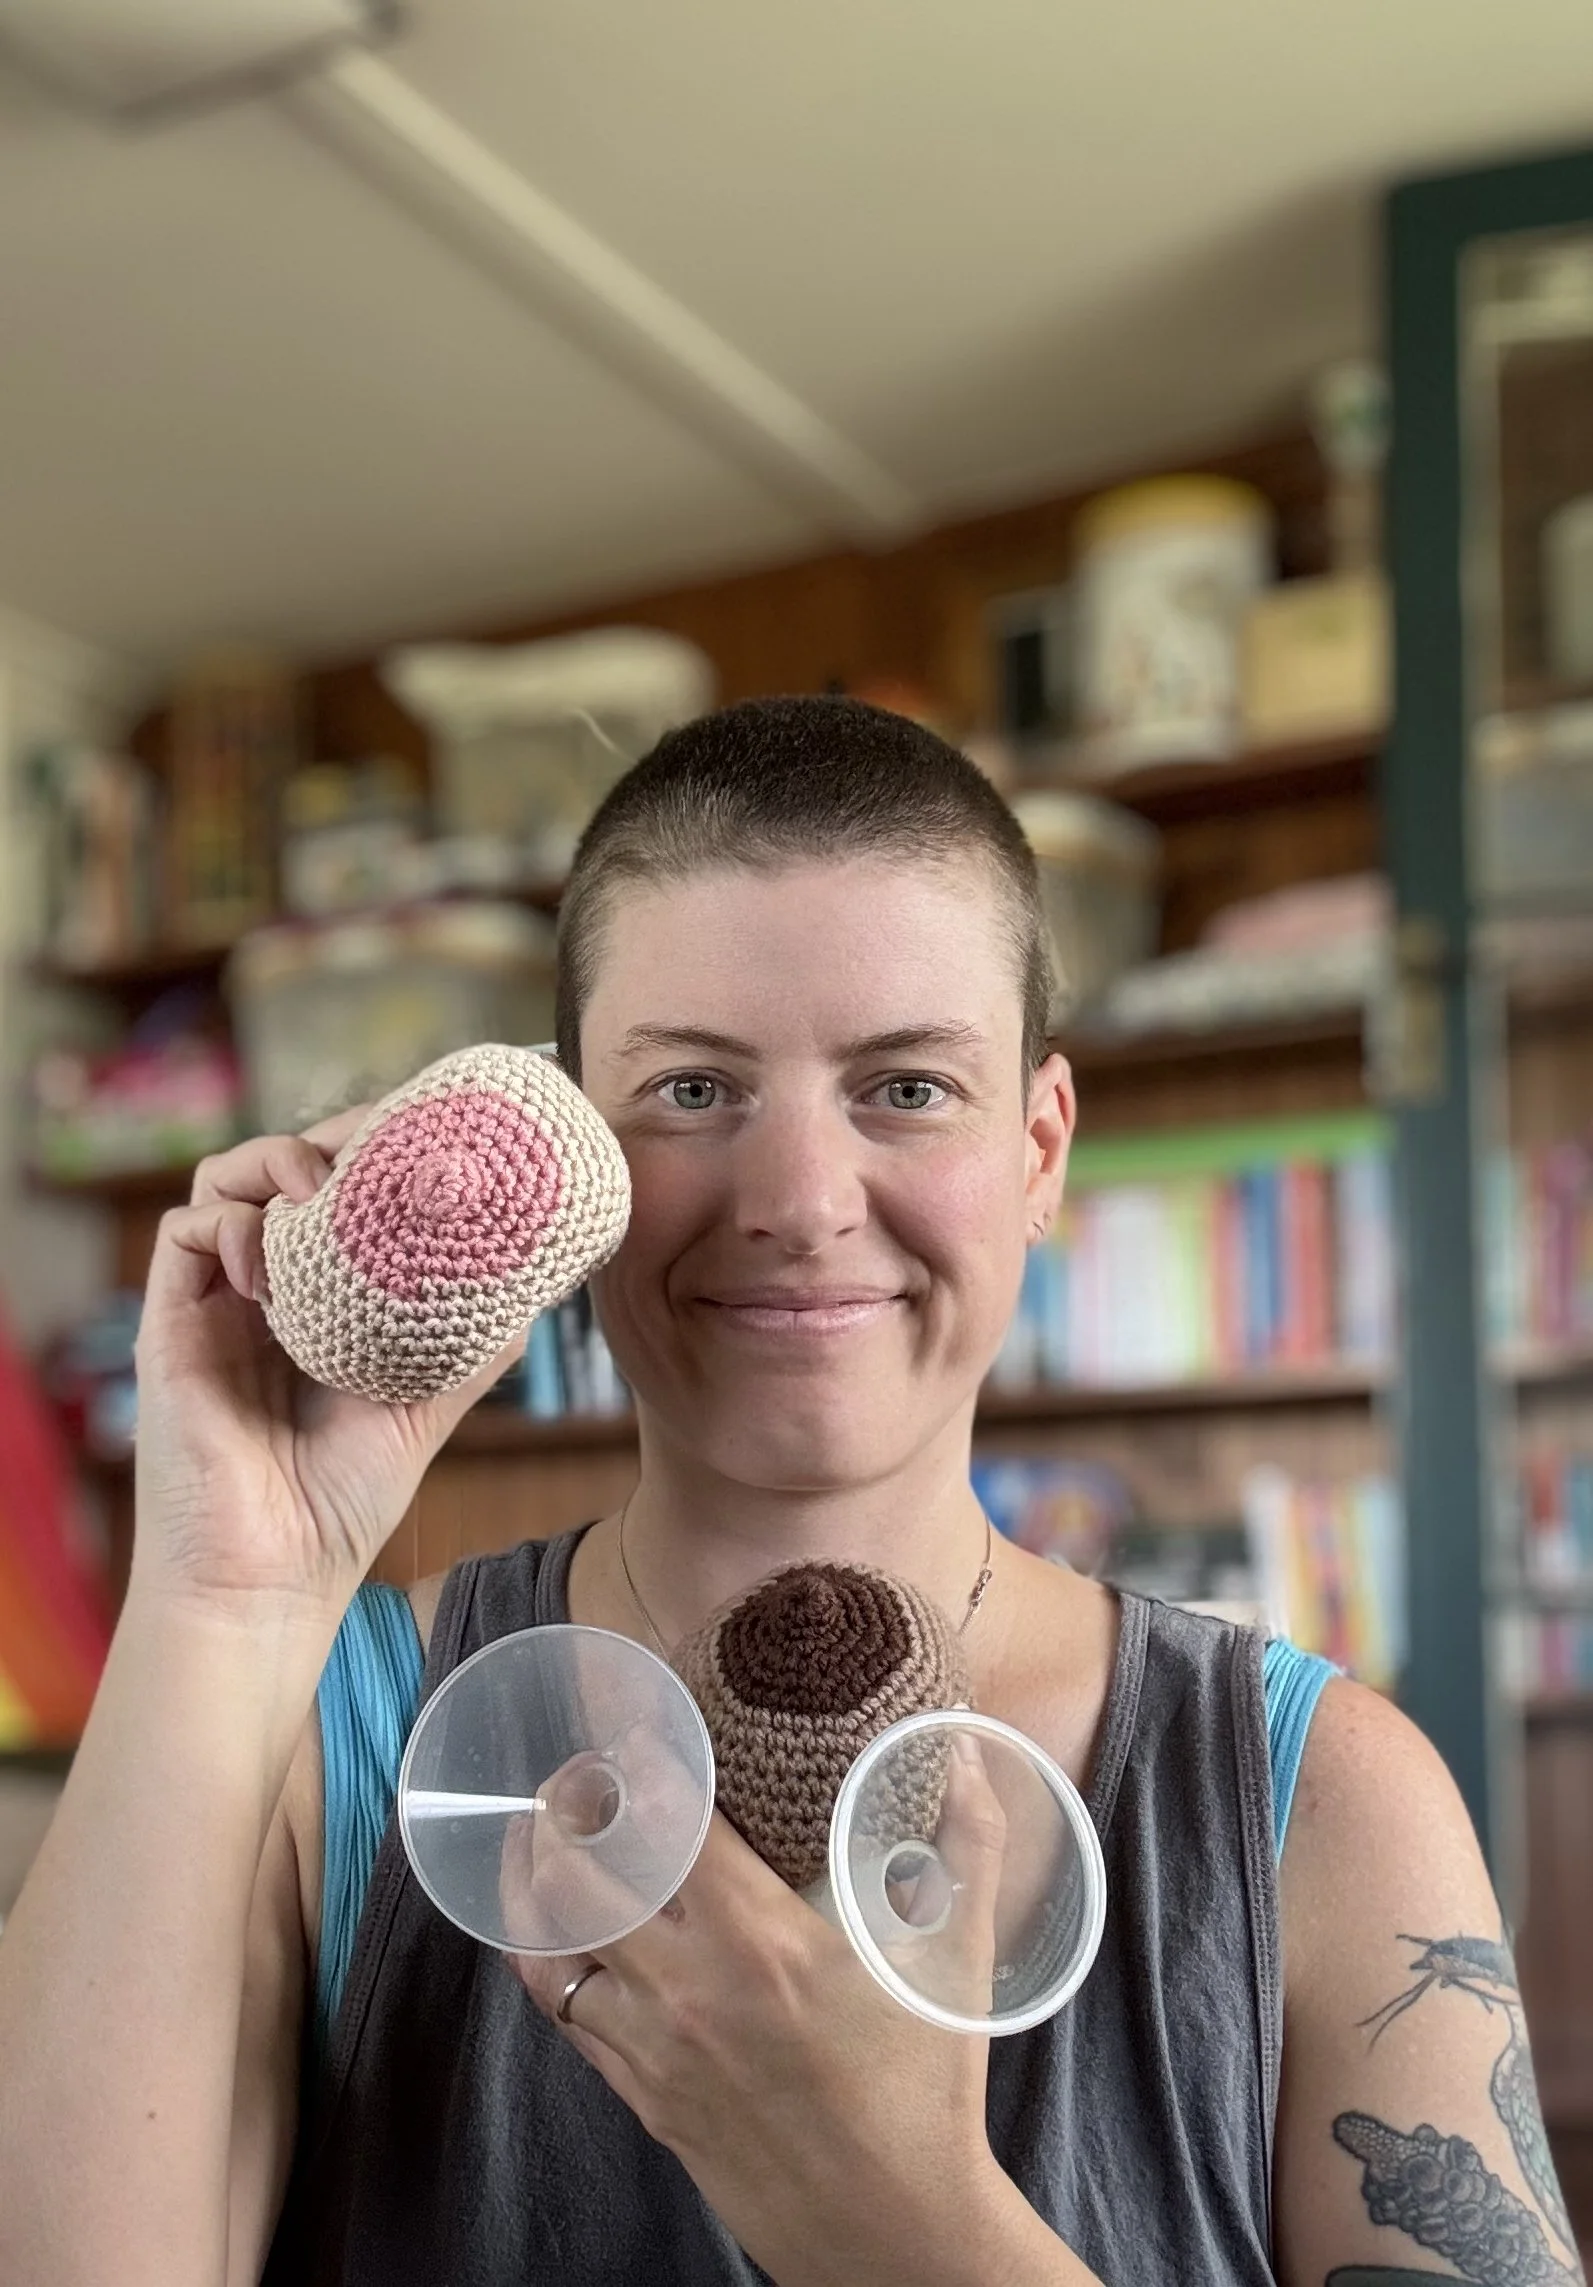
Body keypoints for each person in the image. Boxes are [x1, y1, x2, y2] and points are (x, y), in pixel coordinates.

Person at [0, 695, 1579, 2287]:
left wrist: (885, 2208)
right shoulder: (330, 1740)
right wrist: (226, 1594)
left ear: (1039, 1152)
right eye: (693, 1090)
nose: (804, 1204)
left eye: (905, 1086)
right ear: (567, 1154)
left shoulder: (1323, 1799)